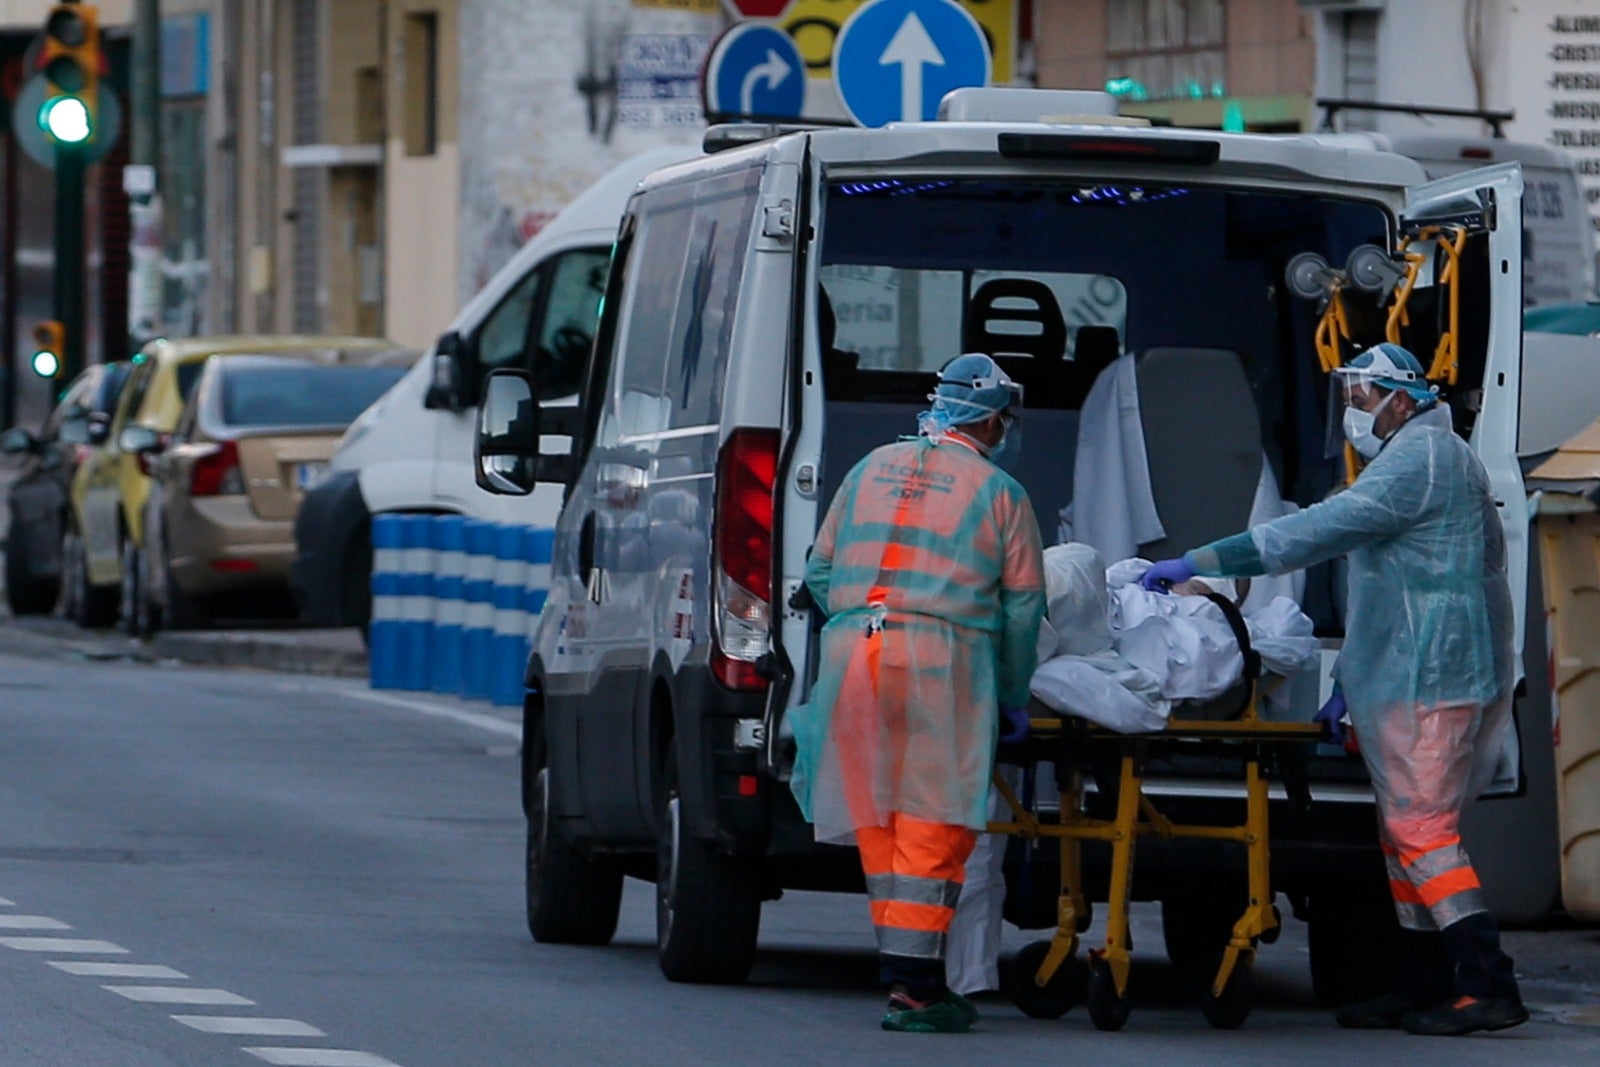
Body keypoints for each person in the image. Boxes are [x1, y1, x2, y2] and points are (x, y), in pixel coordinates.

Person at [1141, 342, 1524, 1037]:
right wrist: (1348, 681)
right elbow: (1379, 587)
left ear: (1403, 400)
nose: (1354, 410)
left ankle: (1488, 980)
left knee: (1423, 833)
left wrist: (1200, 561)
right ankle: (1421, 981)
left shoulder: (1423, 461)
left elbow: (1314, 532)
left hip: (1433, 675)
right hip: (1406, 673)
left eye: (1362, 397)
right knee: (1401, 836)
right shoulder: (1410, 462)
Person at [790, 352, 1046, 1034]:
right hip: (941, 660)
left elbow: (819, 572)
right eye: (1006, 423)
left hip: (853, 656)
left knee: (877, 812)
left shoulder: (868, 468)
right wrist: (1014, 694)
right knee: (935, 819)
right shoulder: (1000, 495)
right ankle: (918, 986)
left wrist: (861, 616)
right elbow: (1022, 609)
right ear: (992, 420)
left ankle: (906, 977)